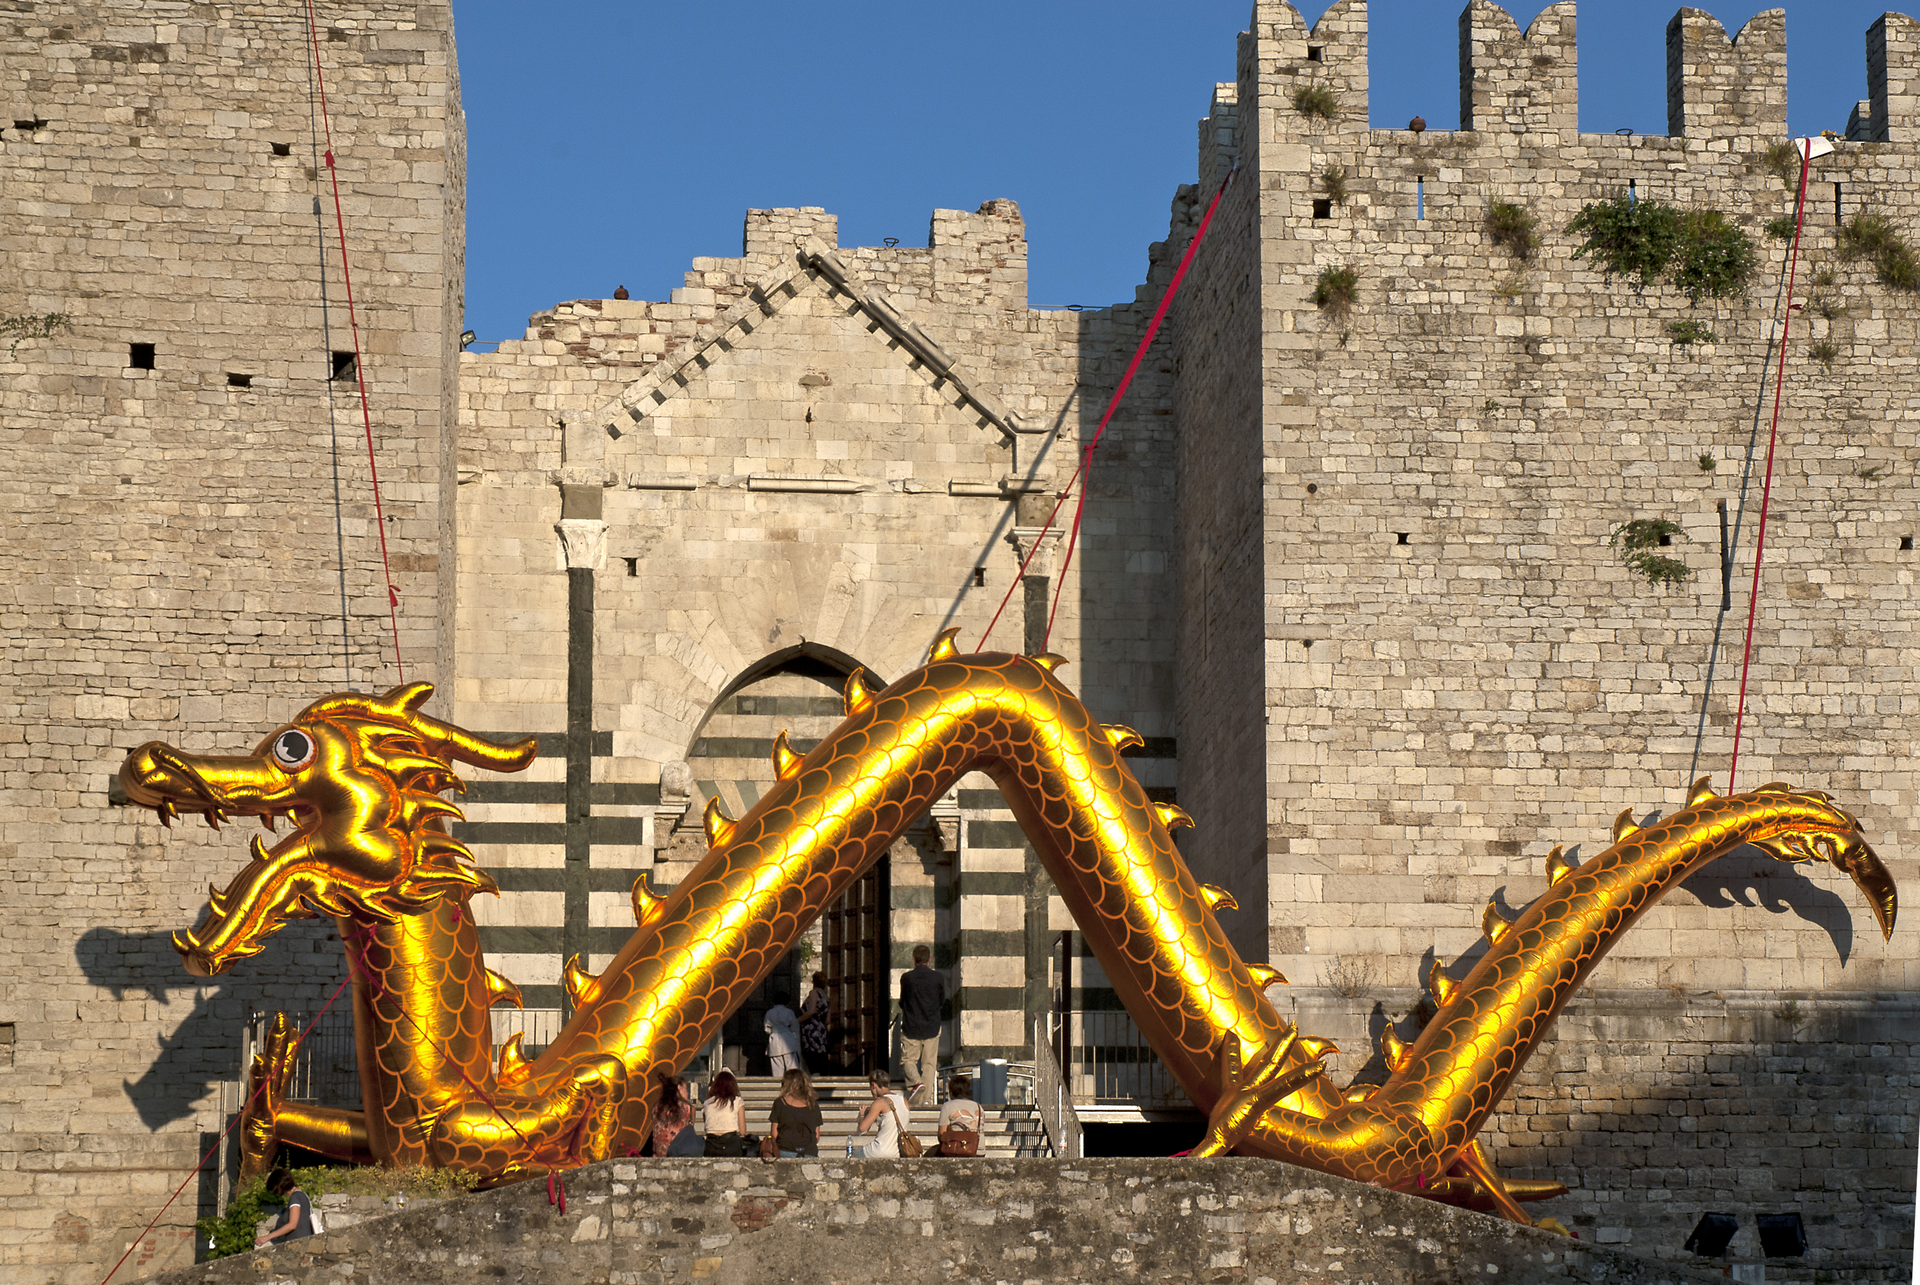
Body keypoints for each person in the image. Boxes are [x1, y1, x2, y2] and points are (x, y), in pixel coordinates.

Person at [897, 944, 945, 1107]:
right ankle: (926, 1099)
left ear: (913, 959)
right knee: (929, 1064)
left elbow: (902, 1002)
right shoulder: (938, 978)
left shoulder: (907, 978)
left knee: (908, 1060)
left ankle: (916, 1083)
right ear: (929, 959)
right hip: (931, 1025)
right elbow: (941, 1001)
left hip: (911, 1026)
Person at [846, 1069, 909, 1158]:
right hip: (898, 1151)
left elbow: (862, 1129)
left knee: (853, 1155)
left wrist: (862, 1115)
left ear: (874, 1086)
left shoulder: (879, 1102)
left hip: (880, 1150)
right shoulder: (904, 1100)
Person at [767, 1067, 823, 1158]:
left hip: (785, 1149)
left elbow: (774, 1134)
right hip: (809, 1151)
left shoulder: (780, 1103)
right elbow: (817, 1136)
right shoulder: (813, 1104)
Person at [254, 1168, 314, 1248]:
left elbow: (292, 1225)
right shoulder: (301, 1195)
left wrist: (267, 1237)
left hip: (299, 1245)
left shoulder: (295, 1197)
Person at [653, 1070, 702, 1157]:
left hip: (659, 1155)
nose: (687, 1093)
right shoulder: (689, 1109)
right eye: (685, 1088)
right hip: (679, 1154)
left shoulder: (657, 1108)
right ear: (679, 1088)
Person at [702, 1068, 748, 1156]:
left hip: (711, 1145)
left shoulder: (707, 1103)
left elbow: (706, 1126)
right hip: (731, 1144)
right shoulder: (737, 1101)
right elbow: (742, 1131)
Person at [936, 1074, 983, 1156]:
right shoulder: (979, 1106)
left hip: (958, 1148)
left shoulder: (948, 1106)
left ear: (951, 1092)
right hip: (979, 1149)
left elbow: (942, 1134)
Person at [798, 971, 831, 1073]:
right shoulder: (826, 997)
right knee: (820, 1056)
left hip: (811, 1029)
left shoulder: (814, 993)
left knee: (811, 1057)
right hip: (821, 1030)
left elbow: (811, 1011)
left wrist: (796, 1021)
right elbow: (828, 1020)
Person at [764, 992, 801, 1078]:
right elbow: (795, 1027)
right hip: (788, 1041)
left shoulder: (769, 1013)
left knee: (777, 1070)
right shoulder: (789, 1012)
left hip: (775, 1041)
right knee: (792, 1067)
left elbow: (766, 1029)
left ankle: (777, 1088)